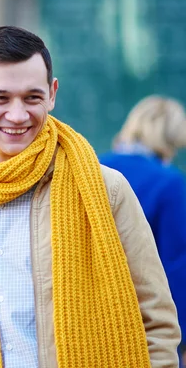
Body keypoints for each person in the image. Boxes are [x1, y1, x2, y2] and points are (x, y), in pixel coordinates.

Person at [0, 26, 181, 367]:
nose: (17, 115)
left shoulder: (106, 189)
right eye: (0, 98)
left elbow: (156, 320)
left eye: (32, 97)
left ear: (52, 93)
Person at [99, 95, 186, 366]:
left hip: (90, 319)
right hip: (143, 325)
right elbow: (176, 269)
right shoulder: (170, 184)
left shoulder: (94, 166)